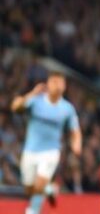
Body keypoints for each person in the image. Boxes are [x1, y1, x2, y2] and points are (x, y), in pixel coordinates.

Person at [10, 72, 82, 214]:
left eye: (61, 82)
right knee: (29, 188)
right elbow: (15, 107)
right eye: (54, 82)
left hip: (51, 152)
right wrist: (31, 94)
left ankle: (32, 211)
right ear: (48, 84)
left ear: (64, 86)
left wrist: (77, 144)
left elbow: (75, 130)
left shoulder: (67, 109)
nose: (58, 85)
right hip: (30, 150)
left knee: (39, 183)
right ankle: (50, 189)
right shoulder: (36, 101)